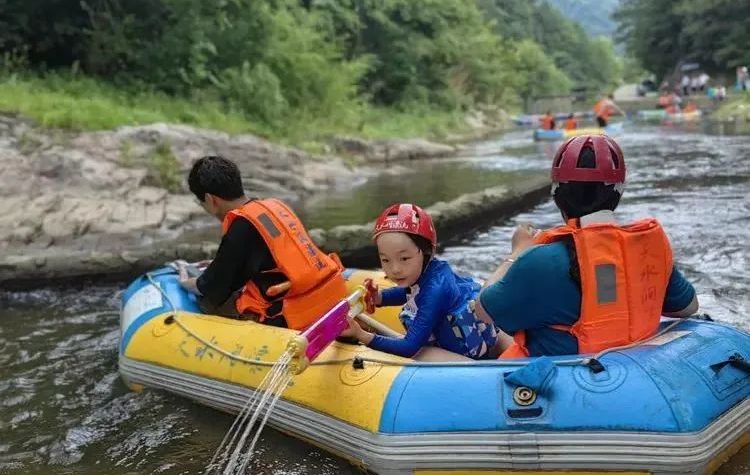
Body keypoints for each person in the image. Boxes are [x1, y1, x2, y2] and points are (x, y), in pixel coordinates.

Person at [475, 136, 698, 358]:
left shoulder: (541, 261)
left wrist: (517, 252)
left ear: (557, 196)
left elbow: (482, 312)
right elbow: (688, 308)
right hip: (635, 366)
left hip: (558, 381)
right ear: (618, 194)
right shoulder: (647, 249)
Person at [180, 155, 346, 328]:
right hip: (329, 291)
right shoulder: (274, 207)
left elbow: (213, 287)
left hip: (291, 310)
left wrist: (187, 282)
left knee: (206, 302)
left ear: (210, 199)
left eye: (202, 203)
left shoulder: (241, 227)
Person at [342, 203, 498, 359]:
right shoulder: (432, 270)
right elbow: (410, 292)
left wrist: (361, 335)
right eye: (386, 260)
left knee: (418, 354)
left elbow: (409, 347)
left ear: (427, 251)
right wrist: (379, 298)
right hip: (463, 342)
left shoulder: (436, 291)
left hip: (466, 359)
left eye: (404, 258)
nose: (395, 269)